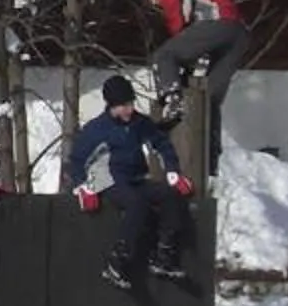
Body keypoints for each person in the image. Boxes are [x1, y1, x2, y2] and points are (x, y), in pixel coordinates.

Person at [60, 73, 197, 291]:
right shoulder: (97, 129)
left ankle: (164, 253)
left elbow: (161, 142)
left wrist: (172, 171)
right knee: (136, 203)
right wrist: (83, 186)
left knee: (170, 195)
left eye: (131, 104)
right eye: (123, 106)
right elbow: (76, 160)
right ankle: (118, 258)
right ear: (111, 106)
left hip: (136, 178)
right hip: (110, 181)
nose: (129, 110)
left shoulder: (139, 123)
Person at [136, 0, 253, 124]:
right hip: (239, 34)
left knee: (165, 55)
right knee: (209, 97)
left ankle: (173, 100)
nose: (154, 3)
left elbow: (180, 26)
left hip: (215, 23)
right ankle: (211, 146)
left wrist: (178, 66)